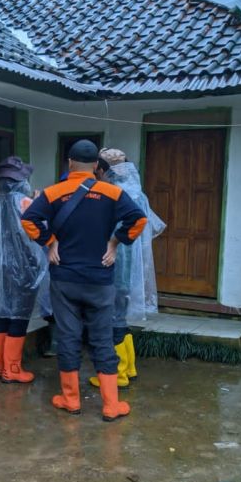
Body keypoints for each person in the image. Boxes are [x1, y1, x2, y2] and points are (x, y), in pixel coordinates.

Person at [21, 139, 147, 422]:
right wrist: (115, 243)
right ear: (96, 167)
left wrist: (49, 241)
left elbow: (29, 219)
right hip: (100, 280)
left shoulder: (54, 192)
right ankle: (111, 405)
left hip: (64, 278)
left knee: (68, 336)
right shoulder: (112, 192)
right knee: (102, 339)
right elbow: (138, 220)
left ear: (69, 163)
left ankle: (70, 399)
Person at [88, 148, 167, 388]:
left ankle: (118, 373)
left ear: (104, 170)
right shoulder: (138, 193)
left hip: (115, 262)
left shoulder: (113, 193)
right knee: (121, 316)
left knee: (112, 318)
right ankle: (129, 367)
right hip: (132, 265)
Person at [0, 156, 48, 383]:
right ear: (20, 181)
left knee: (1, 313)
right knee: (18, 316)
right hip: (23, 268)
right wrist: (39, 204)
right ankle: (13, 370)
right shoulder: (25, 203)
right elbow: (40, 232)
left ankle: (0, 368)